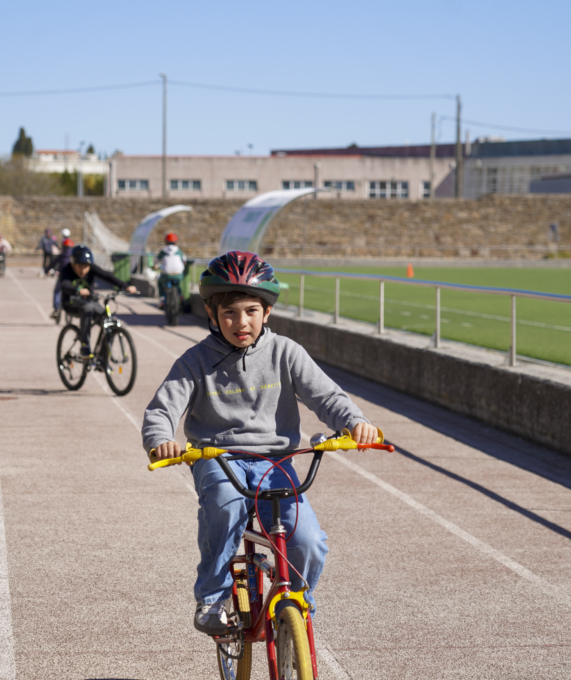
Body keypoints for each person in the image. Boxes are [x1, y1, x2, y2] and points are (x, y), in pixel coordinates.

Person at [143, 251, 379, 636]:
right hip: (217, 457)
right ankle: (214, 597)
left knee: (308, 541)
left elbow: (327, 397)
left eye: (252, 311)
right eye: (230, 313)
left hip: (275, 462)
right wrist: (161, 441)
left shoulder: (286, 352)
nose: (241, 322)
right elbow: (162, 409)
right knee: (226, 505)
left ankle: (296, 607)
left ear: (267, 311)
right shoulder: (195, 360)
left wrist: (355, 422)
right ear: (211, 312)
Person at [57, 245, 137, 354]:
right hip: (71, 302)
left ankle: (102, 357)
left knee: (110, 323)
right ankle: (85, 345)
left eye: (86, 266)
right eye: (80, 266)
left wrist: (125, 286)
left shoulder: (92, 269)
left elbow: (107, 276)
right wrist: (78, 290)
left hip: (90, 301)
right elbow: (65, 284)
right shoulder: (66, 270)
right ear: (73, 264)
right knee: (88, 307)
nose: (83, 270)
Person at [154, 232, 186, 309]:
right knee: (177, 284)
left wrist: (155, 266)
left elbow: (156, 261)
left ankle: (162, 299)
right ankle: (180, 296)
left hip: (166, 273)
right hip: (178, 273)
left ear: (165, 242)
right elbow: (184, 260)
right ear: (176, 242)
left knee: (160, 282)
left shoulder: (163, 251)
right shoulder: (179, 250)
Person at [50, 237, 77, 317]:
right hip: (73, 276)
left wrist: (46, 269)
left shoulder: (62, 255)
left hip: (62, 276)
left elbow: (53, 263)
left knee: (57, 291)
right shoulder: (74, 256)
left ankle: (56, 309)